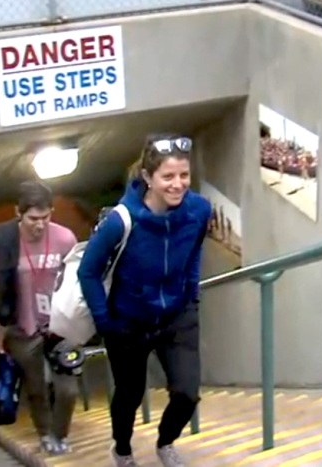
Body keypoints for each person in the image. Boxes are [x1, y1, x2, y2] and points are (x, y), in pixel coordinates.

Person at [78, 135, 211, 467]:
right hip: (128, 323)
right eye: (168, 177)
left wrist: (191, 294)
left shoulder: (199, 210)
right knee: (129, 395)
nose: (177, 184)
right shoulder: (120, 221)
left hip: (177, 315)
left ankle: (166, 442)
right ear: (148, 178)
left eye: (184, 175)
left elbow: (194, 251)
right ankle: (121, 448)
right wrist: (104, 322)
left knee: (186, 392)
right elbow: (88, 272)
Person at [0, 180, 80, 455]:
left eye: (46, 217)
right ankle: (46, 434)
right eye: (33, 218)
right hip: (21, 325)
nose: (39, 224)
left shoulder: (65, 239)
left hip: (60, 326)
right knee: (36, 387)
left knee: (67, 389)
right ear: (19, 213)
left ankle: (60, 434)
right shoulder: (3, 241)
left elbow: (77, 282)